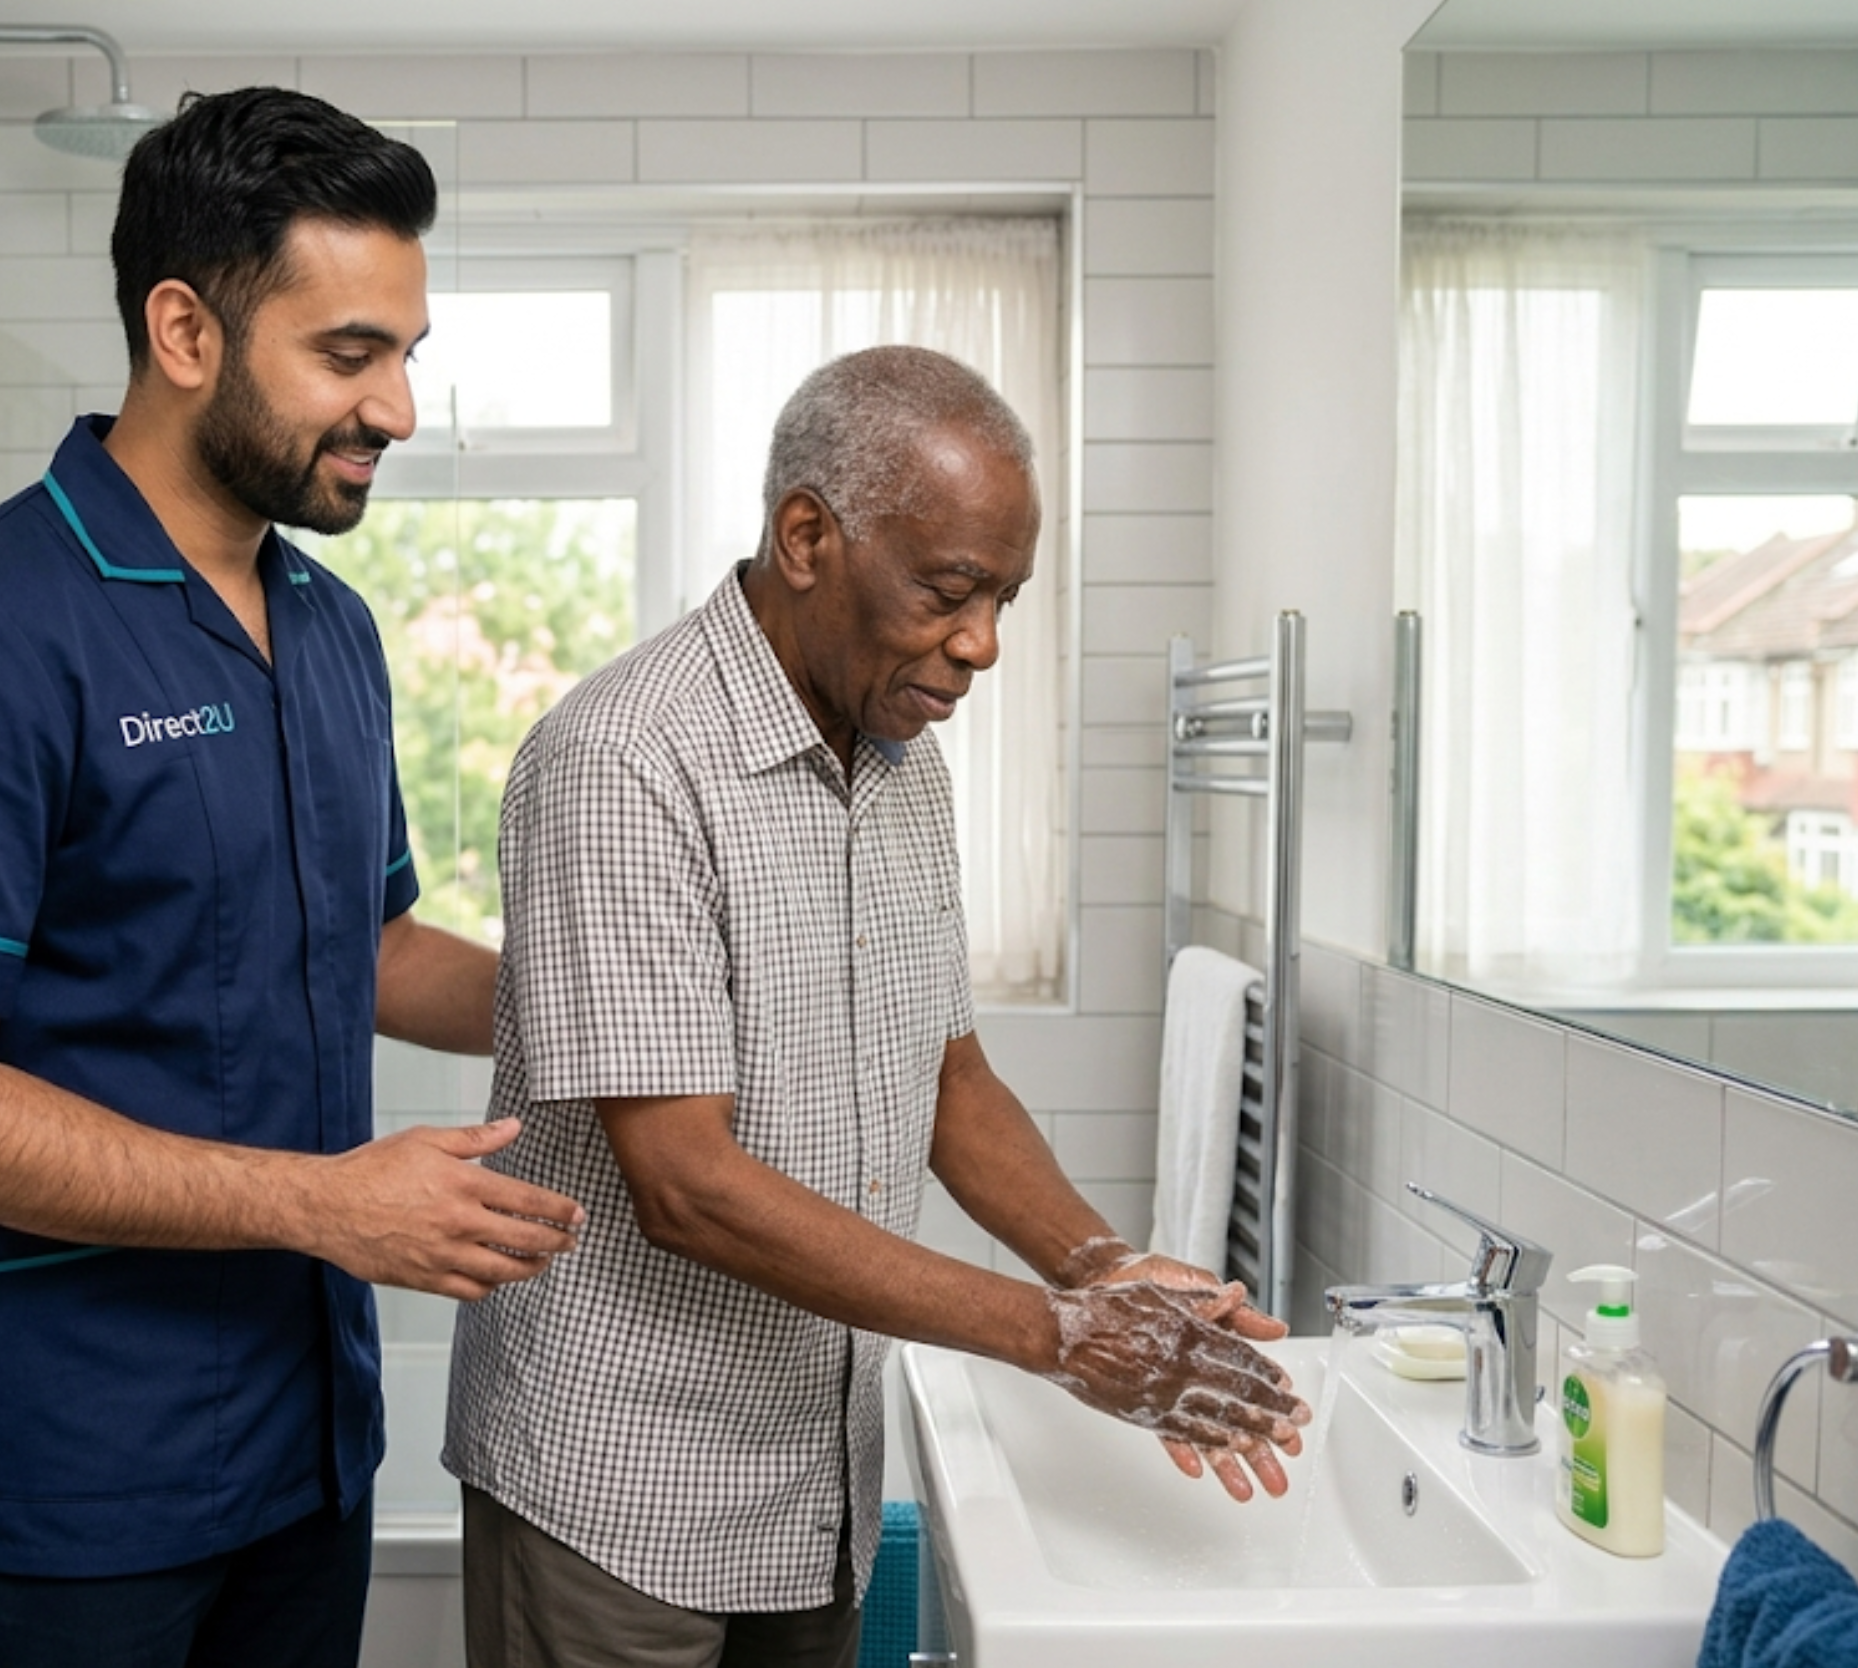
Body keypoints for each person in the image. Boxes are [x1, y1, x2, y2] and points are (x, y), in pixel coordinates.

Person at [0, 87, 583, 1668]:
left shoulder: (333, 630)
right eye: (349, 354)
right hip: (75, 1476)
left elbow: (367, 949)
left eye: (407, 355)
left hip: (309, 1448)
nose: (396, 409)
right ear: (184, 331)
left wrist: (621, 1003)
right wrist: (325, 1204)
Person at [444, 344, 1309, 1667]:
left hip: (817, 1477)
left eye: (1005, 599)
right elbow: (686, 1184)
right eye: (950, 592)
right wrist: (1059, 1336)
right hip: (620, 1485)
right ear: (808, 538)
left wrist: (1101, 1269)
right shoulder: (622, 759)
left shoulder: (904, 763)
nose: (983, 644)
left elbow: (949, 1078)